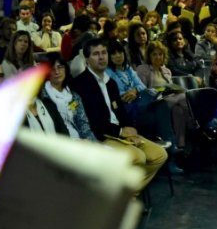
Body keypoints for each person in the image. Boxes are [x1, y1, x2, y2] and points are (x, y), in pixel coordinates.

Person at [71, 38, 167, 192]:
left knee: (159, 155)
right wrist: (121, 132)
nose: (101, 57)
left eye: (103, 53)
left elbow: (120, 110)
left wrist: (129, 128)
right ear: (87, 60)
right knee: (138, 157)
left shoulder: (110, 82)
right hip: (102, 136)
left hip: (120, 132)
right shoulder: (82, 84)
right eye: (96, 54)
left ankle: (126, 194)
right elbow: (94, 121)